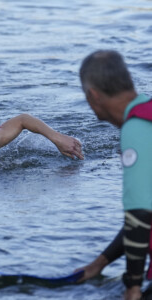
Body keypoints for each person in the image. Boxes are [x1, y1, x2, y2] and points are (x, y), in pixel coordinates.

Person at [77, 50, 152, 300]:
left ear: (92, 96)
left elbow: (139, 215)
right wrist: (98, 265)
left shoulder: (136, 129)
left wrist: (132, 286)